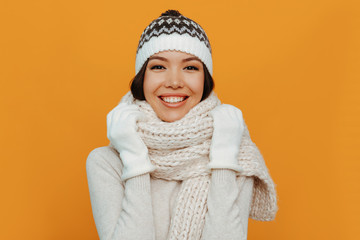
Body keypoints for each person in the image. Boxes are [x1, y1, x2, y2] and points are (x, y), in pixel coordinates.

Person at [86, 10, 278, 240]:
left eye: (190, 67)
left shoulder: (236, 152)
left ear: (205, 79)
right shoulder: (107, 163)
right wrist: (133, 157)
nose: (174, 82)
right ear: (142, 77)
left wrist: (224, 157)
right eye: (158, 66)